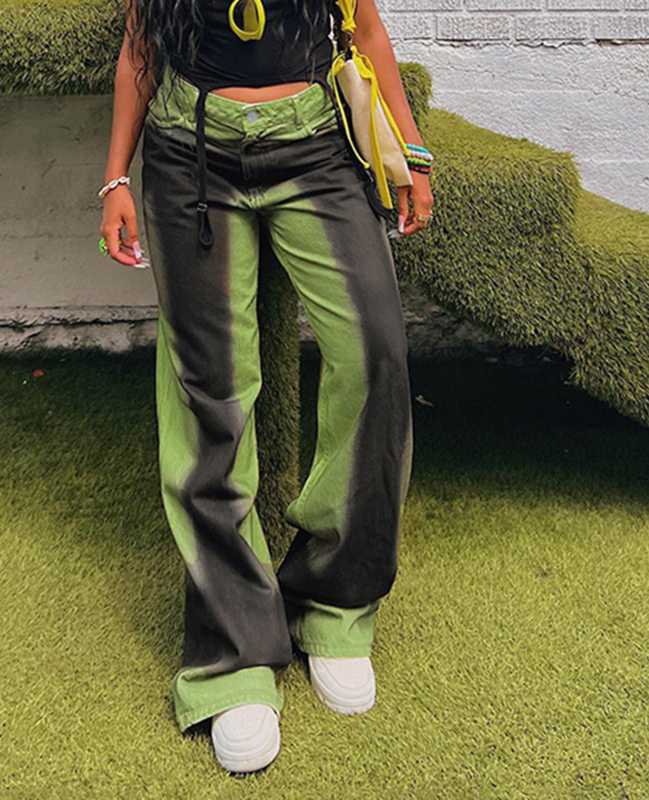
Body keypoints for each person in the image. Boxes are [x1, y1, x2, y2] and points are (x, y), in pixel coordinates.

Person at [99, 0, 434, 774]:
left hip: (316, 147)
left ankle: (334, 605)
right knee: (209, 392)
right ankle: (234, 656)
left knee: (375, 355)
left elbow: (366, 27)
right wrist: (114, 176)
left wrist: (412, 151)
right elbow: (140, 42)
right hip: (190, 153)